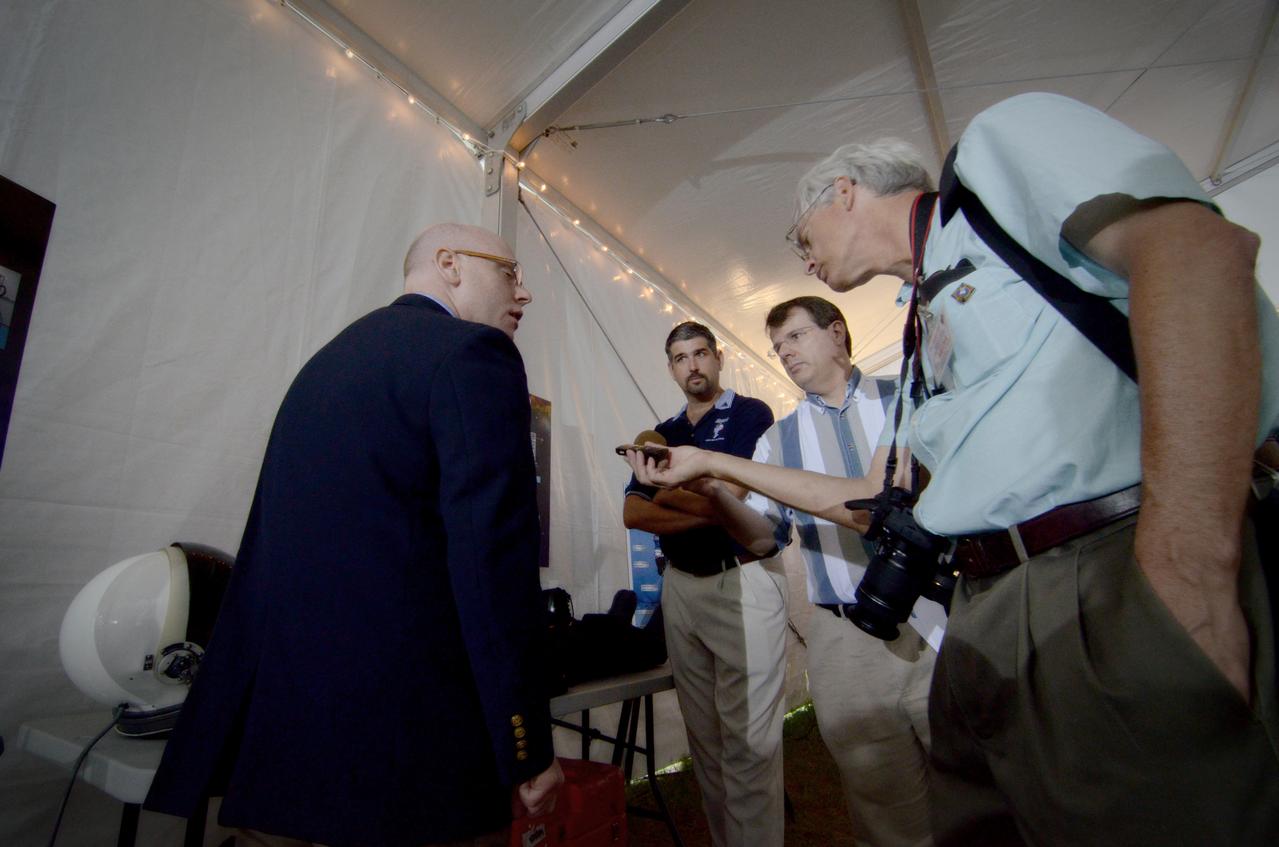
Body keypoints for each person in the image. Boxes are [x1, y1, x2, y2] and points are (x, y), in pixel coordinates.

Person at [630, 93, 1279, 845]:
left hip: (1105, 572)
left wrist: (1190, 555)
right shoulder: (919, 325)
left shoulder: (994, 152)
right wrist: (710, 462)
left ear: (843, 192)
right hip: (993, 611)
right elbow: (868, 503)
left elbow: (1193, 253)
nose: (799, 253)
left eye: (797, 231)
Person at [145, 223, 563, 847]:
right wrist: (525, 739)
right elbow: (492, 562)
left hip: (282, 759)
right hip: (406, 771)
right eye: (510, 272)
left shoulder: (323, 365)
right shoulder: (473, 355)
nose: (524, 292)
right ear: (449, 264)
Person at [673, 296, 936, 847]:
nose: (784, 353)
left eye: (794, 337)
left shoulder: (908, 398)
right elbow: (765, 537)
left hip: (940, 616)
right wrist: (715, 494)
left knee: (981, 785)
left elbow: (877, 505)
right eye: (776, 347)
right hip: (845, 637)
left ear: (837, 332)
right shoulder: (778, 440)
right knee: (883, 809)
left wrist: (717, 465)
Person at [622, 321, 785, 847]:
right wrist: (709, 503)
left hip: (740, 578)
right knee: (705, 742)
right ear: (670, 368)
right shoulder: (662, 432)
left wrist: (675, 498)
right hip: (683, 588)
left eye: (700, 354)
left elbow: (732, 493)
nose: (691, 365)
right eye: (679, 357)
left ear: (718, 358)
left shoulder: (749, 413)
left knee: (749, 744)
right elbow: (632, 513)